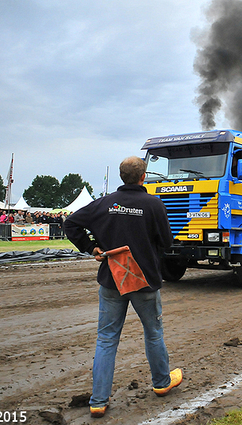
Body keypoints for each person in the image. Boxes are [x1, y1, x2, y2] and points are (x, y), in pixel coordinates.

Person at [64, 156, 180, 419]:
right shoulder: (153, 204)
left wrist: (90, 246)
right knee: (153, 333)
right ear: (144, 176)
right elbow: (167, 241)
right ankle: (162, 383)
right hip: (145, 282)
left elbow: (70, 223)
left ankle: (98, 401)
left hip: (111, 280)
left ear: (121, 176)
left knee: (106, 339)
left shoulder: (104, 203)